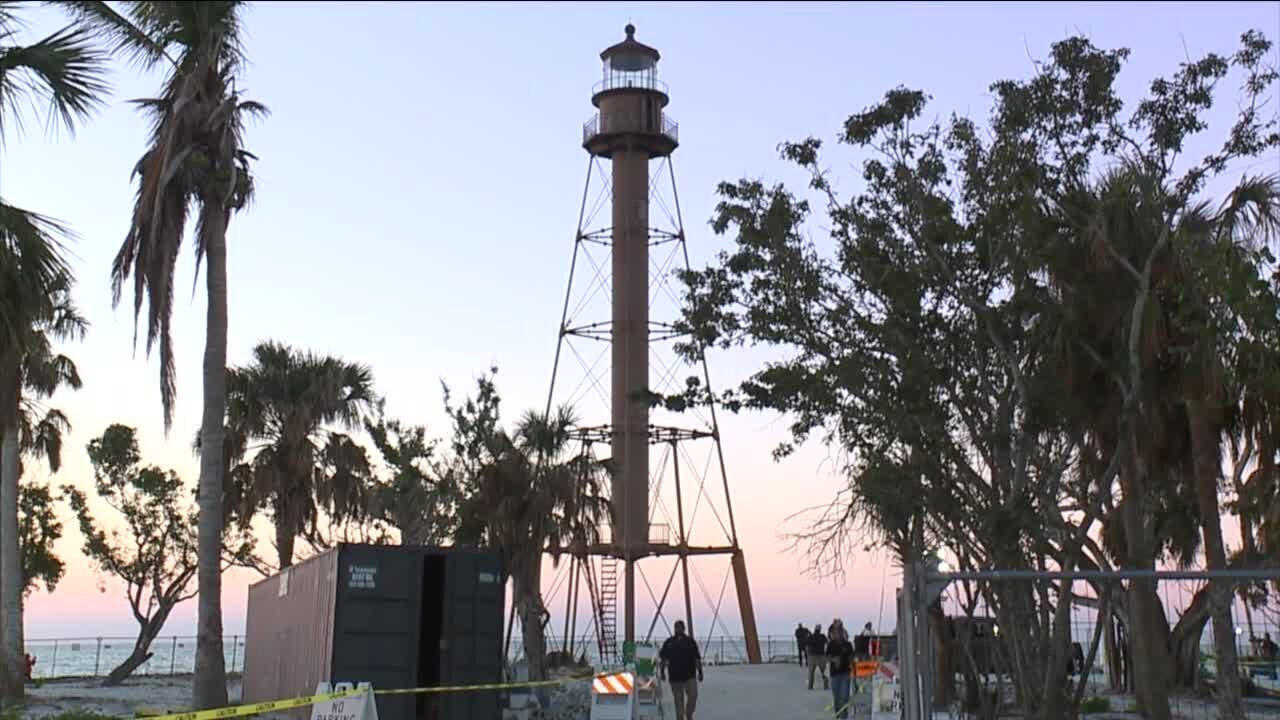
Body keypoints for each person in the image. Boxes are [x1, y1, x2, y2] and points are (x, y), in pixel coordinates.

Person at [660, 620, 703, 720]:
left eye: (680, 627)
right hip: (675, 677)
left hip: (690, 676)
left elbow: (696, 658)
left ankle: (689, 714)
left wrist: (700, 672)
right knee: (678, 702)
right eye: (676, 627)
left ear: (684, 628)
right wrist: (662, 672)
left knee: (693, 696)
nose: (678, 629)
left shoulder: (690, 641)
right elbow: (663, 658)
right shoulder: (669, 642)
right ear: (674, 629)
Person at [826, 624, 855, 719]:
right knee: (836, 698)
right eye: (836, 632)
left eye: (840, 632)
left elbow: (851, 659)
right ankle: (837, 714)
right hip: (834, 674)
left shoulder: (848, 645)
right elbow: (827, 657)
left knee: (844, 697)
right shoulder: (831, 644)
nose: (838, 634)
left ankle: (844, 716)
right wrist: (834, 659)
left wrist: (854, 673)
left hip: (845, 673)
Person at [806, 623, 829, 690]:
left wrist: (808, 655)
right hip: (821, 656)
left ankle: (810, 686)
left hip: (812, 656)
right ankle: (826, 686)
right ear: (820, 629)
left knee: (811, 673)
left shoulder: (811, 636)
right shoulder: (822, 636)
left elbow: (807, 646)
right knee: (823, 672)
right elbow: (827, 644)